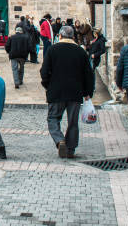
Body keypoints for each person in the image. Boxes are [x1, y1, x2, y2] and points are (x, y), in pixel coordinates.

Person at [40, 26, 94, 159]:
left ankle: (60, 140)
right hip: (75, 92)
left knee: (53, 118)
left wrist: (48, 86)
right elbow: (88, 74)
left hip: (56, 91)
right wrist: (87, 92)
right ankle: (70, 149)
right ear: (73, 37)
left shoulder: (53, 49)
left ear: (60, 36)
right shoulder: (80, 52)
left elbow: (44, 71)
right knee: (73, 122)